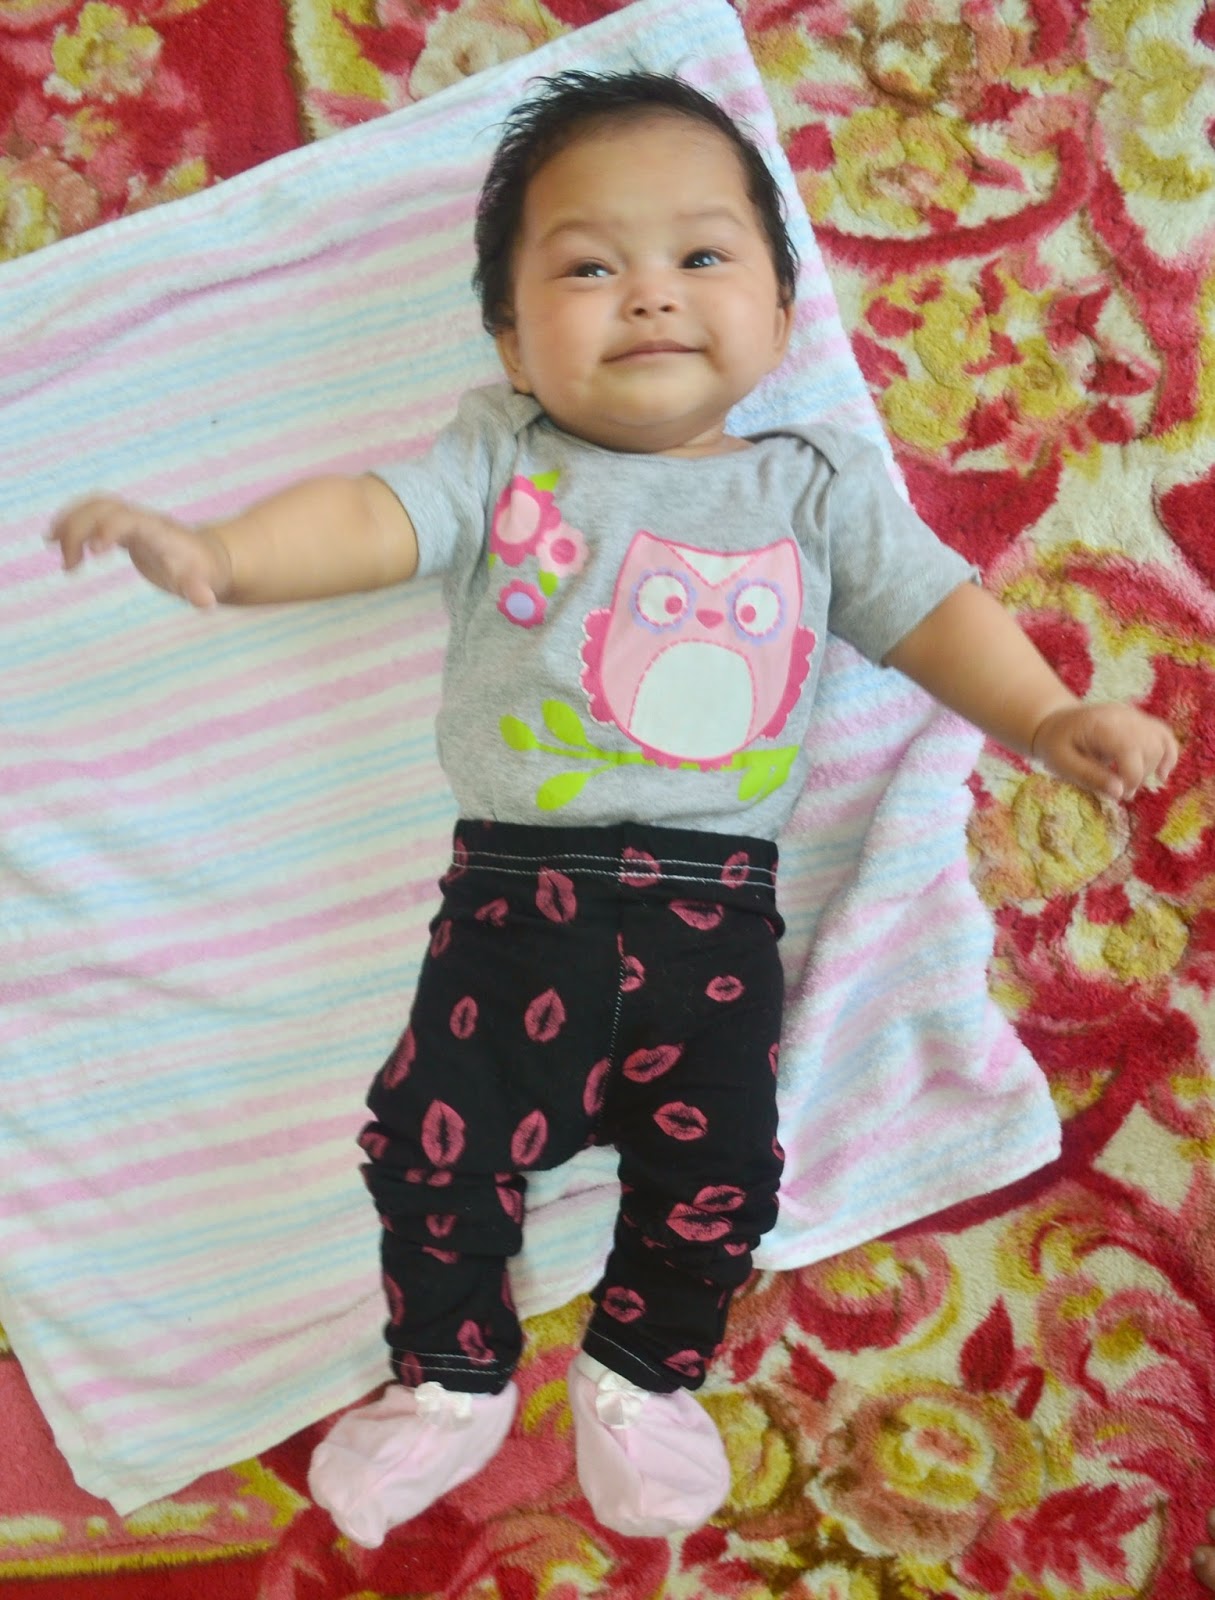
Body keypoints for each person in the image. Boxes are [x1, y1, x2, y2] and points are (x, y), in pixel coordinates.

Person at [48, 70, 1179, 1550]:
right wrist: (225, 553)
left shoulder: (811, 486)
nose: (649, 294)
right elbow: (371, 516)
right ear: (513, 338)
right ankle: (452, 1373)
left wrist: (1043, 714)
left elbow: (931, 611)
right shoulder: (504, 458)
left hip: (715, 916)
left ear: (782, 311)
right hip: (518, 900)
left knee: (722, 1173)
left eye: (701, 256)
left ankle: (642, 1375)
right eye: (588, 268)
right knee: (425, 1144)